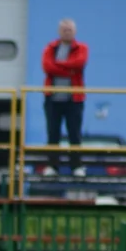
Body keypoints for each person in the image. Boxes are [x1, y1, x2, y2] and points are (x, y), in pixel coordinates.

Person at [41, 18, 89, 178]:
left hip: (74, 99)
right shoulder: (50, 47)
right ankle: (52, 166)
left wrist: (59, 65)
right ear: (59, 31)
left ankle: (76, 166)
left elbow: (79, 64)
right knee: (52, 133)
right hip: (52, 99)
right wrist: (68, 69)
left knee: (74, 134)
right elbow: (47, 66)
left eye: (69, 30)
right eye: (64, 29)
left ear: (75, 32)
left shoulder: (82, 48)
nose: (66, 32)